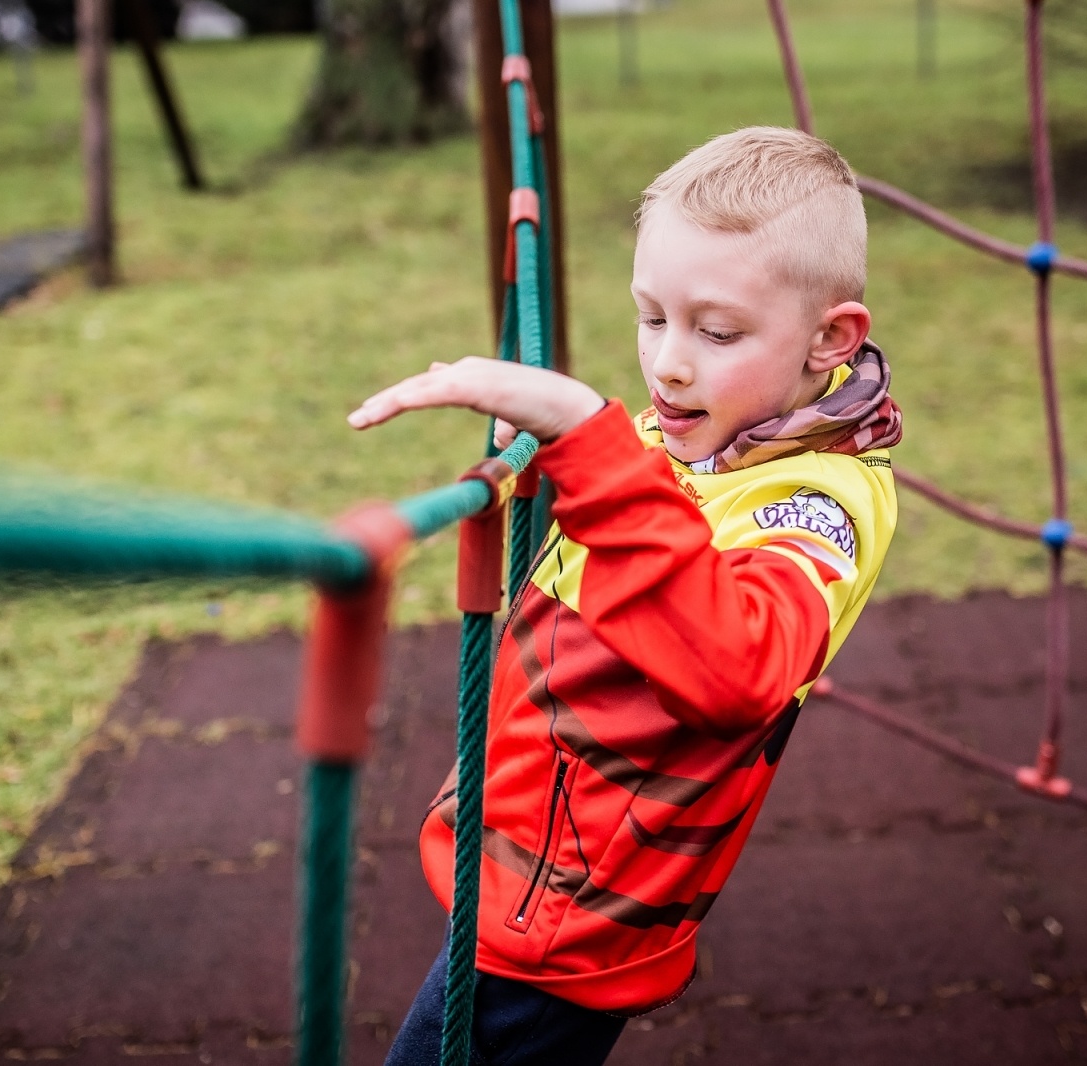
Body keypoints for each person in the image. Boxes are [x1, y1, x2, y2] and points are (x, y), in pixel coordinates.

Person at [348, 126, 902, 1065]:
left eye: (716, 331)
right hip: (537, 866)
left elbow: (736, 668)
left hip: (571, 919)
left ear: (829, 341)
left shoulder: (815, 505)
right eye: (652, 318)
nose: (670, 363)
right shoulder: (703, 431)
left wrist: (583, 431)